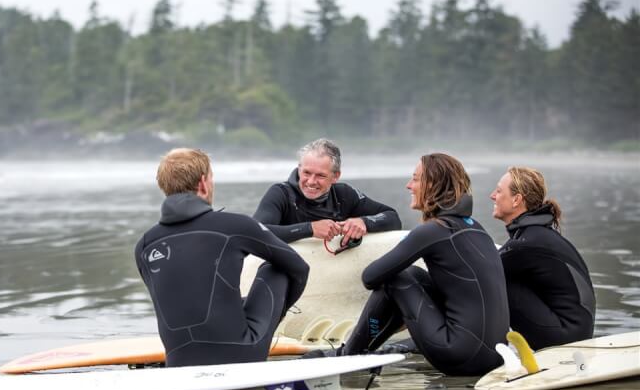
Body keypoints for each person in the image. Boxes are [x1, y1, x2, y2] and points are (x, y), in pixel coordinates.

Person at [331, 153, 509, 376]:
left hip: (460, 356)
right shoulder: (475, 228)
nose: (409, 185)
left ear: (432, 185)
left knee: (397, 278)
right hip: (494, 357)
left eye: (415, 179)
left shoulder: (434, 230)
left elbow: (370, 277)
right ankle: (359, 352)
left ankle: (350, 356)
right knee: (414, 274)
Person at [135, 148, 310, 368]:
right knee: (276, 268)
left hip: (178, 361)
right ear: (203, 183)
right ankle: (261, 338)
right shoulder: (235, 225)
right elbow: (299, 268)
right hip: (241, 355)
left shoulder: (143, 245)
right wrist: (276, 315)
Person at [490, 166, 595, 349]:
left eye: (499, 191)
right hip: (578, 332)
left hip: (565, 338)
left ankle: (483, 349)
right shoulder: (537, 235)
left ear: (517, 200)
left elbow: (481, 273)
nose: (493, 195)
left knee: (494, 280)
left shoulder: (526, 243)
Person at [252, 138, 402, 247]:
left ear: (335, 176)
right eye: (306, 173)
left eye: (320, 175)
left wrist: (364, 222)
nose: (311, 181)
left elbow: (392, 217)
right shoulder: (281, 193)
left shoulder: (344, 195)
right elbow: (255, 232)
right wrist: (309, 229)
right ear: (299, 168)